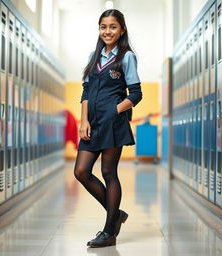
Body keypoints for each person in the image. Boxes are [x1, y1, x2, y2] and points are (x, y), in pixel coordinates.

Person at [74, 9, 142, 248]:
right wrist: (84, 120)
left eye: (113, 27)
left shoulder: (126, 57)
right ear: (99, 29)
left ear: (121, 29)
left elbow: (136, 94)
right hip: (91, 124)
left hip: (113, 124)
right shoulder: (94, 56)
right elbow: (85, 91)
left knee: (108, 173)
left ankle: (109, 231)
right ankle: (116, 215)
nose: (108, 31)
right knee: (81, 172)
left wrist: (115, 110)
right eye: (104, 26)